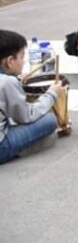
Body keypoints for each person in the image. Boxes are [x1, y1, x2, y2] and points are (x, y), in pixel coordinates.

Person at [0, 30, 65, 164]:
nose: (24, 62)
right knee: (49, 120)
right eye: (22, 57)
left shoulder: (7, 81)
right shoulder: (6, 82)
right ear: (10, 61)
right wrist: (51, 94)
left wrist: (14, 80)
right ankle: (19, 150)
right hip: (2, 146)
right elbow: (26, 116)